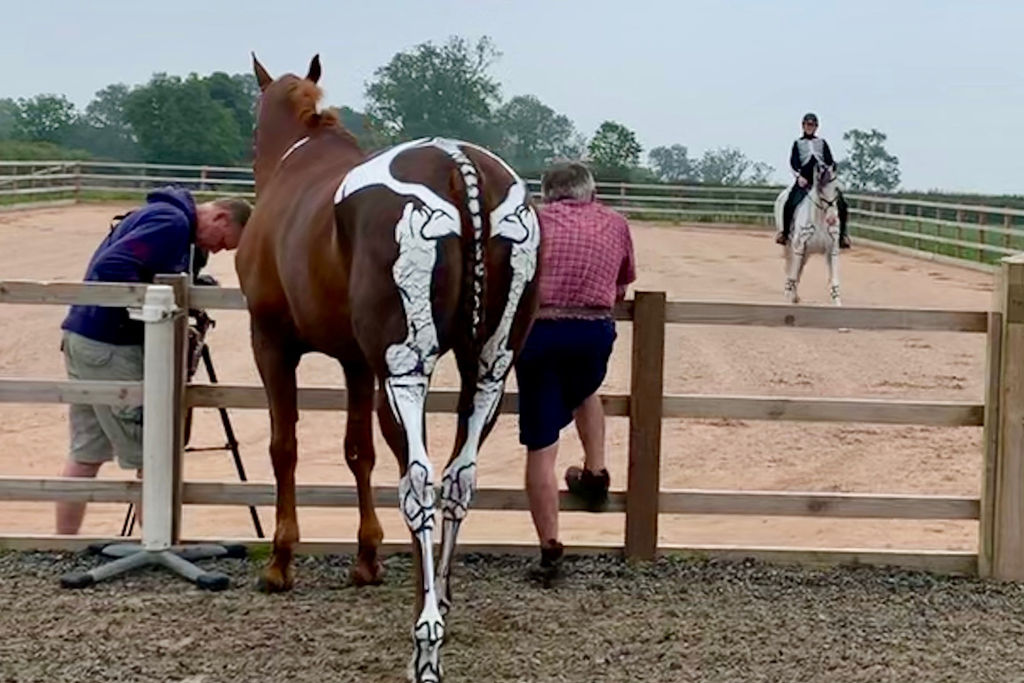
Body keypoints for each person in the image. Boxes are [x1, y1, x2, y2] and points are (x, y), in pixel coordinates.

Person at [55, 187, 251, 535]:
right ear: (220, 217)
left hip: (87, 336)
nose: (214, 249)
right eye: (222, 241)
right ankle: (157, 544)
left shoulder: (166, 218)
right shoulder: (171, 222)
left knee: (86, 452)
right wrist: (157, 306)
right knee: (154, 453)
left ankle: (63, 545)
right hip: (112, 346)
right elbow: (113, 266)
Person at [514, 161, 636, 578]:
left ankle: (550, 548)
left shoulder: (532, 222)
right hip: (593, 334)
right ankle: (596, 471)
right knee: (586, 386)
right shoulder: (616, 224)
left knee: (541, 445)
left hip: (540, 333)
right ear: (591, 191)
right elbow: (622, 285)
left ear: (546, 193)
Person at [777, 112, 851, 249]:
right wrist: (799, 177)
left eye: (812, 125)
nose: (809, 127)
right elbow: (793, 162)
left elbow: (829, 160)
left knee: (841, 202)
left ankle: (842, 236)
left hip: (822, 181)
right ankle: (785, 233)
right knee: (790, 202)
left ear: (816, 127)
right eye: (807, 124)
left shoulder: (822, 143)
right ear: (803, 126)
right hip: (805, 180)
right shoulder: (798, 143)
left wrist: (829, 171)